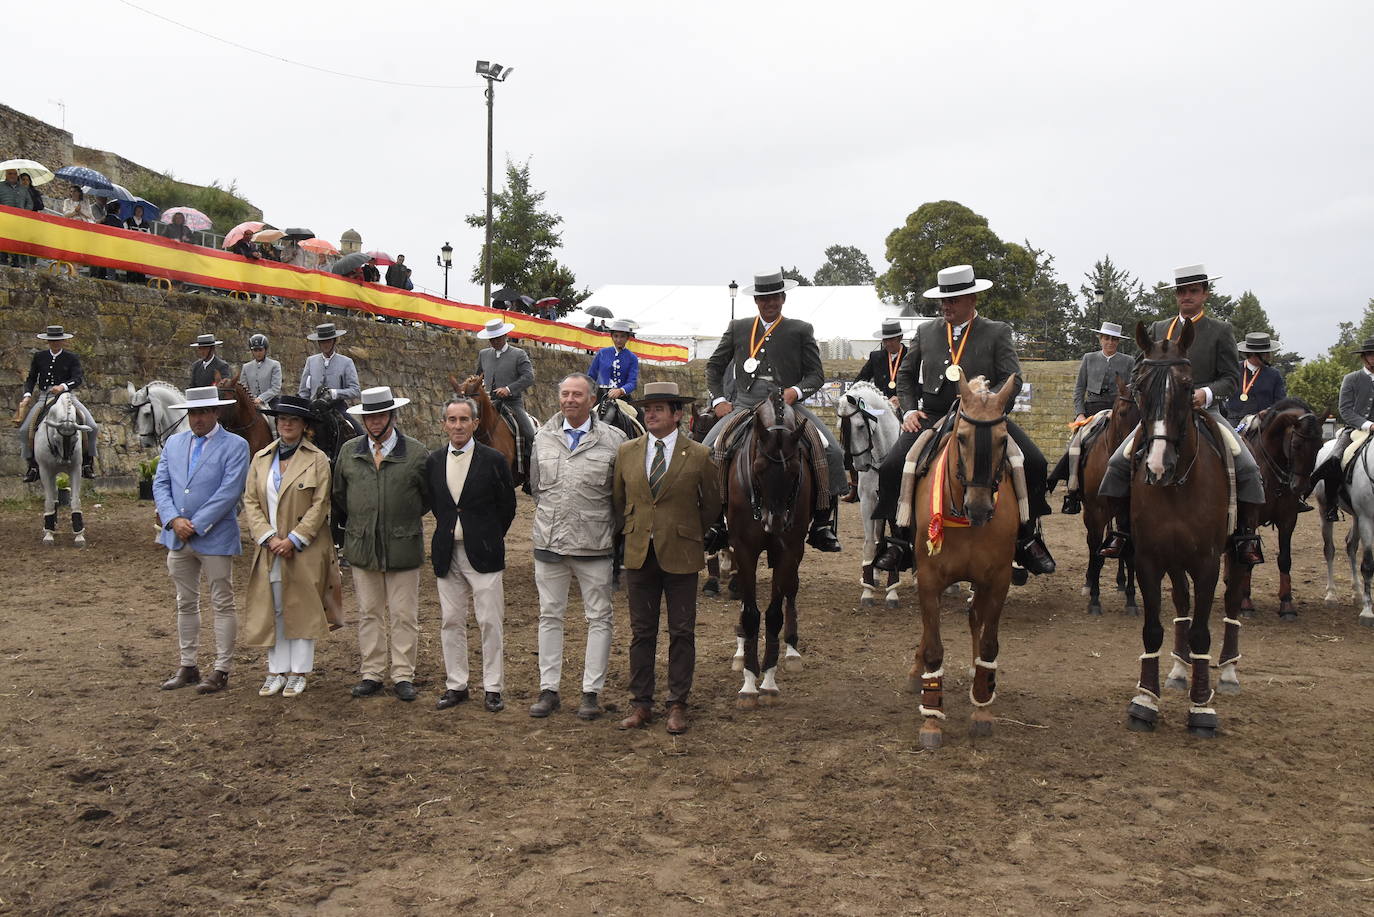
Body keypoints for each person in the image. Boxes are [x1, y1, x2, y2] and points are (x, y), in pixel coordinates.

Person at [871, 264, 1056, 575]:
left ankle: (1027, 538)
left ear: (971, 298)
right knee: (892, 467)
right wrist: (909, 410)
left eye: (953, 300)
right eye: (943, 301)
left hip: (984, 420)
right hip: (933, 415)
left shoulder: (997, 331)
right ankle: (900, 540)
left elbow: (1014, 378)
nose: (946, 306)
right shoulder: (926, 331)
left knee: (1035, 462)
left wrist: (990, 403)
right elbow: (905, 374)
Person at [1098, 264, 1264, 564]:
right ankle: (1122, 532)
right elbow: (1138, 370)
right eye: (1182, 291)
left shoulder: (1220, 330)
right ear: (1176, 295)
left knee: (1249, 467)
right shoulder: (1159, 328)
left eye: (1193, 291)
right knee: (1115, 464)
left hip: (1206, 410)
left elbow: (1229, 377)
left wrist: (1206, 393)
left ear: (1205, 294)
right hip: (1162, 413)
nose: (1187, 296)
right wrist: (1145, 393)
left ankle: (1246, 537)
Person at [701, 269, 842, 553]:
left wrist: (796, 392)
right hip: (744, 405)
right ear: (756, 301)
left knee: (831, 451)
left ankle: (822, 524)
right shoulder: (738, 328)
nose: (770, 302)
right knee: (706, 451)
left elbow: (816, 375)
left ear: (782, 298)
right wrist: (718, 401)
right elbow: (714, 367)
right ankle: (715, 522)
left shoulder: (800, 329)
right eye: (764, 298)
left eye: (775, 297)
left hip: (787, 406)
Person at [612, 382, 721, 734]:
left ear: (677, 415)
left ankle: (677, 703)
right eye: (647, 408)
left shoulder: (700, 455)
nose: (650, 413)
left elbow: (712, 506)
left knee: (682, 631)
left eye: (659, 408)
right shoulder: (627, 451)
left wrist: (685, 530)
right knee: (641, 633)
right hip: (639, 552)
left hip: (682, 553)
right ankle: (641, 703)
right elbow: (618, 499)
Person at [527, 372, 628, 720]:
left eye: (577, 395)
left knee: (599, 618)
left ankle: (591, 692)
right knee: (549, 615)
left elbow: (619, 497)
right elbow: (537, 487)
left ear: (591, 400)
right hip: (550, 543)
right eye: (565, 394)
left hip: (594, 544)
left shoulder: (614, 440)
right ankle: (549, 689)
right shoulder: (541, 438)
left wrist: (602, 528)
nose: (570, 400)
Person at [333, 386, 430, 701]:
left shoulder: (416, 453)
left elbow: (427, 498)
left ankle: (403, 674)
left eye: (379, 415)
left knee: (404, 614)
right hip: (363, 546)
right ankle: (372, 673)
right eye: (368, 416)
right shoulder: (349, 451)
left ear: (392, 415)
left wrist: (398, 519)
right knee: (368, 612)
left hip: (403, 545)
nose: (374, 422)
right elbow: (339, 495)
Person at [152, 386, 251, 694]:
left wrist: (196, 524)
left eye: (203, 412)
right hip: (178, 535)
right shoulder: (174, 443)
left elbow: (230, 491)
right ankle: (188, 664)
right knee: (185, 602)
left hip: (215, 535)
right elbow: (161, 483)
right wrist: (172, 519)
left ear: (216, 413)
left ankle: (222, 668)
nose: (197, 419)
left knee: (222, 601)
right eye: (193, 413)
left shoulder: (236, 445)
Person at [240, 396, 336, 698]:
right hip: (270, 547)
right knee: (274, 605)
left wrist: (295, 538)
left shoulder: (318, 459)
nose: (286, 424)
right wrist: (268, 537)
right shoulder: (261, 458)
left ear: (304, 425)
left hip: (303, 547)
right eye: (282, 419)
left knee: (302, 606)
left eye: (293, 420)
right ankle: (276, 670)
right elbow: (251, 501)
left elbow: (320, 504)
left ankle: (299, 671)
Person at [427, 397, 517, 713]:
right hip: (447, 551)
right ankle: (456, 684)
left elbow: (508, 506)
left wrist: (488, 535)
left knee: (489, 620)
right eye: (452, 419)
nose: (458, 425)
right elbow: (438, 505)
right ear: (444, 424)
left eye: (464, 419)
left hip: (485, 552)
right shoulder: (434, 461)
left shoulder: (493, 460)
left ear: (475, 424)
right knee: (451, 620)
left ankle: (493, 687)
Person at [1051, 320, 1134, 514]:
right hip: (1092, 408)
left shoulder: (1128, 361)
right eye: (1107, 338)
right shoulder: (1089, 358)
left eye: (1114, 339)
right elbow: (1079, 388)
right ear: (1100, 339)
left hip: (1118, 409)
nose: (1110, 342)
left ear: (1118, 342)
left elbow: (1131, 389)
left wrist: (1121, 409)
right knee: (1075, 443)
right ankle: (1072, 489)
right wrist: (1080, 412)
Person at [15, 325, 99, 481]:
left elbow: (77, 378)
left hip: (67, 397)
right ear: (47, 341)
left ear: (63, 341)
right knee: (24, 430)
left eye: (58, 341)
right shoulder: (39, 357)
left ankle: (87, 464)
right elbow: (31, 378)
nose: (55, 343)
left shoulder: (71, 357)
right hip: (44, 397)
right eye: (52, 341)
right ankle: (33, 466)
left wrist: (63, 386)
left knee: (92, 427)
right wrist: (27, 394)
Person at [1307, 336, 1374, 522]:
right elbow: (1345, 409)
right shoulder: (1351, 379)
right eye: (1371, 354)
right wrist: (1368, 424)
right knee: (1335, 458)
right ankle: (1331, 504)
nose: (1373, 357)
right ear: (1364, 357)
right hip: (1355, 430)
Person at [847, 318, 910, 500]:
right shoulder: (876, 357)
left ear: (900, 338)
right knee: (853, 436)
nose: (888, 343)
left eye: (891, 340)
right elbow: (860, 380)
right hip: (880, 410)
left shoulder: (912, 354)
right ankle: (855, 484)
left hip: (905, 408)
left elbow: (919, 384)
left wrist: (902, 398)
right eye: (885, 340)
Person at [474, 317, 537, 477]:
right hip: (489, 403)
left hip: (512, 404)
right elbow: (478, 376)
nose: (494, 341)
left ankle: (530, 474)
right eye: (491, 339)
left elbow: (529, 377)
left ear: (505, 336)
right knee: (467, 426)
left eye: (497, 338)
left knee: (530, 434)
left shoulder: (519, 354)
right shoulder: (483, 354)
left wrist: (509, 389)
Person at [1223, 332, 1287, 420]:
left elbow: (1281, 402)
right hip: (1234, 421)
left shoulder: (1274, 374)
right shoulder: (1233, 370)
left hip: (1264, 422)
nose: (1269, 356)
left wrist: (1268, 411)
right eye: (1266, 353)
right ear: (1254, 354)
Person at [587, 319, 640, 400]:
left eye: (622, 336)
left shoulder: (632, 357)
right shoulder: (602, 353)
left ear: (627, 338)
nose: (618, 340)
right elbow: (591, 376)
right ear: (611, 336)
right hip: (601, 396)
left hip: (622, 397)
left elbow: (632, 382)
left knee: (638, 412)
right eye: (616, 336)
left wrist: (621, 391)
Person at [240, 334, 282, 409]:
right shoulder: (246, 367)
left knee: (274, 419)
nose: (258, 353)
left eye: (260, 350)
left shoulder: (274, 365)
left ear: (265, 350)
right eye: (255, 350)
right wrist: (251, 400)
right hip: (251, 403)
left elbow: (275, 388)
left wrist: (261, 399)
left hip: (270, 401)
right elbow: (244, 388)